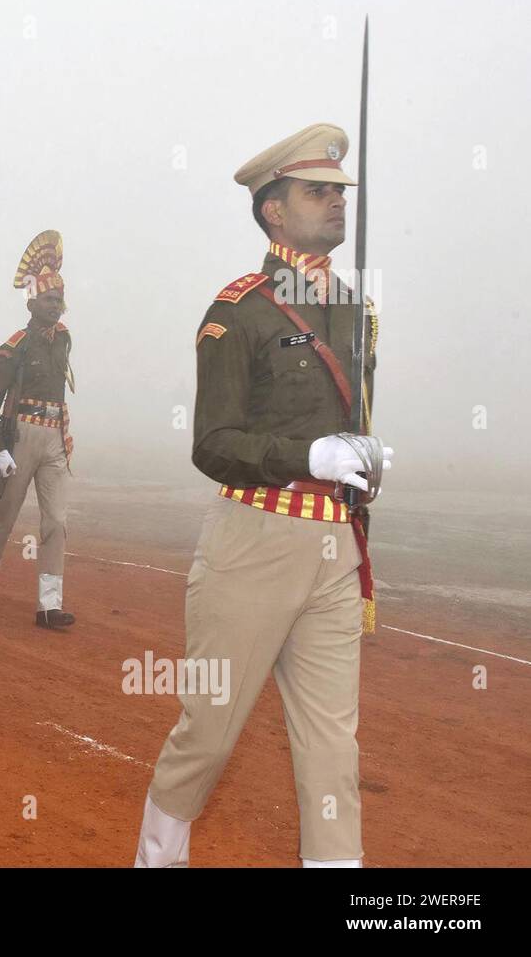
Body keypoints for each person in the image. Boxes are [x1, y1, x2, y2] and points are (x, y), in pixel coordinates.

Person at [135, 123, 394, 868]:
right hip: (254, 539)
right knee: (208, 732)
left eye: (340, 192)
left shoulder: (355, 311)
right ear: (273, 209)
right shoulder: (240, 310)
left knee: (331, 752)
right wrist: (307, 454)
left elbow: (351, 420)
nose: (338, 204)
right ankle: (156, 859)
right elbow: (211, 442)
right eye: (319, 192)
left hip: (332, 549)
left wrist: (358, 463)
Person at [0, 230, 75, 628]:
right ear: (31, 303)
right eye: (49, 300)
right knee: (5, 515)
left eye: (59, 300)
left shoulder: (64, 340)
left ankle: (49, 604)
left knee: (56, 521)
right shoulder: (14, 346)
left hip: (55, 436)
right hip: (21, 436)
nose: (56, 307)